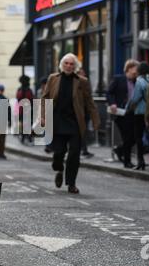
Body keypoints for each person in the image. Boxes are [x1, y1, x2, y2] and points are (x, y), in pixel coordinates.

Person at [41, 53, 100, 194]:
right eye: (66, 63)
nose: (69, 66)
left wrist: (96, 120)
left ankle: (71, 183)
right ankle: (59, 169)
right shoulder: (53, 78)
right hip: (57, 121)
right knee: (59, 152)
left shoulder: (82, 81)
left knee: (74, 155)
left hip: (75, 122)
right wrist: (42, 117)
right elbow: (45, 98)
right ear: (62, 65)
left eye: (71, 64)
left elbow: (89, 102)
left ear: (75, 66)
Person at [107, 59, 139, 168]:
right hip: (121, 113)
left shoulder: (137, 81)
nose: (136, 73)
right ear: (129, 69)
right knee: (127, 137)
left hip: (133, 112)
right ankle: (127, 162)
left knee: (134, 137)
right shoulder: (118, 79)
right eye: (135, 71)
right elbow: (109, 92)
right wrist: (112, 103)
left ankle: (119, 150)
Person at [127, 62, 149, 170]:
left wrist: (128, 108)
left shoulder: (139, 82)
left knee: (138, 137)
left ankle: (140, 161)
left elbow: (135, 98)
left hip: (139, 112)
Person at [77, 68, 94, 159]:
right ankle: (83, 150)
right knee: (81, 131)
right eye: (82, 73)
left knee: (83, 131)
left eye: (84, 73)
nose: (84, 75)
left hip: (85, 111)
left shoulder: (86, 83)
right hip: (79, 111)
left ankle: (83, 149)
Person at [16, 74, 34, 146]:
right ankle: (26, 137)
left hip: (25, 109)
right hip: (25, 109)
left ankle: (26, 137)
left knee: (26, 123)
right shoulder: (25, 90)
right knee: (26, 123)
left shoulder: (22, 90)